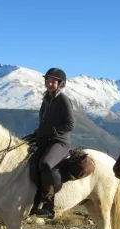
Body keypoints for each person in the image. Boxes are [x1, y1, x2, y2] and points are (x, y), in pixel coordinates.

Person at [29, 67, 75, 219]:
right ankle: (33, 200)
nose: (49, 84)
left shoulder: (63, 100)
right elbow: (44, 122)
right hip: (45, 140)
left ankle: (49, 206)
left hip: (60, 142)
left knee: (46, 164)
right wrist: (38, 132)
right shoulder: (46, 99)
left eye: (53, 82)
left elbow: (70, 125)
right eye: (48, 81)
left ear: (60, 84)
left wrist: (49, 131)